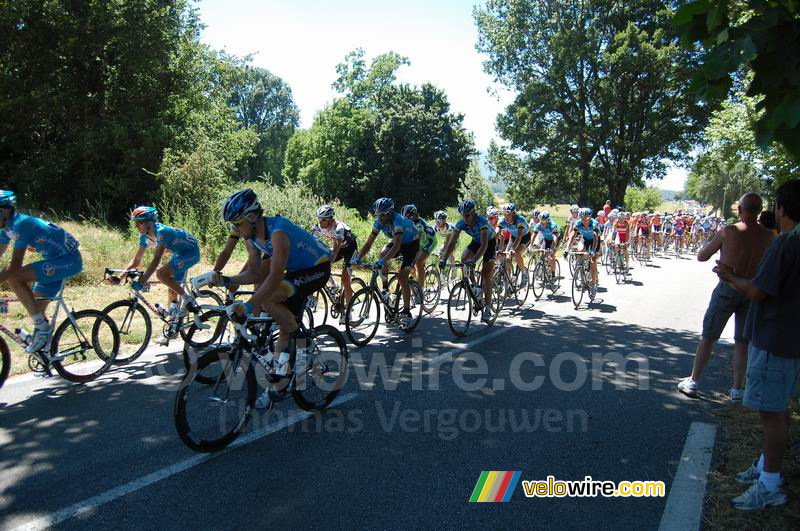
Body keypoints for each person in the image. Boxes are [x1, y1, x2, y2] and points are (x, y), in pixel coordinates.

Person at [713, 179, 800, 510]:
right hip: (789, 337)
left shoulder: (785, 244)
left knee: (772, 413)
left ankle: (769, 484)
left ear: (782, 208)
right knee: (779, 409)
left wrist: (730, 276)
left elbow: (758, 291)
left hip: (774, 336)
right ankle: (766, 467)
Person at [214, 189, 332, 408]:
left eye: (237, 224)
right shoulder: (253, 238)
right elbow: (256, 273)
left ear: (251, 217)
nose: (236, 230)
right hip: (296, 270)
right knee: (284, 329)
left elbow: (276, 275)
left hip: (317, 268)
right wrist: (226, 279)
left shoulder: (278, 232)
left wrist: (250, 305)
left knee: (269, 300)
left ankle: (304, 344)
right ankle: (277, 386)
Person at [677, 193, 774, 401]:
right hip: (751, 290)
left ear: (740, 210)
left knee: (709, 336)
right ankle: (737, 389)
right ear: (759, 211)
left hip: (727, 288)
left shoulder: (728, 232)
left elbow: (702, 256)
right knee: (742, 341)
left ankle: (693, 380)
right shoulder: (769, 236)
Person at [0, 190, 83, 353]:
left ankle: (43, 330)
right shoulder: (6, 227)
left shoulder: (20, 224)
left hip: (68, 260)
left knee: (15, 278)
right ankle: (48, 353)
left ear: (5, 210)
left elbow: (15, 265)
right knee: (36, 308)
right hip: (54, 260)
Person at [122, 207, 200, 344]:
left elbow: (156, 259)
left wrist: (142, 281)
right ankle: (172, 329)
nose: (136, 226)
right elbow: (136, 261)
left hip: (190, 252)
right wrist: (121, 276)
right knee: (171, 291)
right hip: (179, 253)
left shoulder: (162, 233)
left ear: (149, 223)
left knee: (161, 274)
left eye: (138, 222)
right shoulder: (144, 237)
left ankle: (188, 299)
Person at [354, 197, 419, 323]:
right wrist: (358, 258)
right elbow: (369, 243)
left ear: (390, 212)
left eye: (382, 215)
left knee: (402, 277)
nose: (379, 218)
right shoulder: (379, 222)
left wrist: (383, 261)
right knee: (382, 253)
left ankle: (406, 312)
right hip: (398, 243)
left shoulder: (398, 220)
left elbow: (397, 246)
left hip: (411, 245)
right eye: (377, 215)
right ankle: (385, 288)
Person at [440, 199, 497, 322]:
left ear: (473, 213)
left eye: (467, 215)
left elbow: (484, 245)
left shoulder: (482, 222)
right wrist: (444, 259)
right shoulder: (460, 224)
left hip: (489, 243)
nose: (465, 218)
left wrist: (475, 260)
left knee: (486, 274)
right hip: (476, 242)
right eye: (463, 215)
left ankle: (488, 308)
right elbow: (452, 244)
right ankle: (476, 287)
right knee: (464, 259)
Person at [311, 205, 358, 321]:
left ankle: (349, 311)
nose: (320, 222)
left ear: (330, 219)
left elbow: (335, 250)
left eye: (323, 220)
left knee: (345, 279)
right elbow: (310, 241)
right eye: (319, 219)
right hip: (340, 249)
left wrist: (328, 264)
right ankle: (334, 286)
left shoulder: (339, 228)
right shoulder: (319, 227)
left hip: (350, 250)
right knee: (317, 263)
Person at [400, 204, 437, 299]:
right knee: (409, 265)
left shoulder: (419, 224)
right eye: (405, 217)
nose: (407, 219)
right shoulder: (407, 223)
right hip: (419, 244)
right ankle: (416, 281)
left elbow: (417, 242)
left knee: (419, 262)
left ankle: (421, 290)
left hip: (429, 242)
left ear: (415, 214)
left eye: (409, 217)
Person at [565, 207, 601, 286]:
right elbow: (572, 235)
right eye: (583, 218)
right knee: (580, 251)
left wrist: (593, 250)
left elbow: (595, 237)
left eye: (587, 218)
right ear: (580, 218)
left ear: (590, 217)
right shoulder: (578, 223)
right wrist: (567, 248)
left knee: (592, 261)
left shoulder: (594, 223)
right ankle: (581, 269)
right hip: (585, 239)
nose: (585, 220)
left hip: (595, 241)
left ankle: (594, 282)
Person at [499, 203, 530, 288]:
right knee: (507, 258)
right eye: (505, 214)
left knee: (516, 253)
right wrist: (498, 249)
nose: (506, 217)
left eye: (508, 215)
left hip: (524, 237)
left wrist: (512, 249)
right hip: (513, 237)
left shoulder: (520, 220)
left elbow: (519, 236)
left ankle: (524, 272)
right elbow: (499, 235)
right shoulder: (502, 221)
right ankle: (508, 281)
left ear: (513, 214)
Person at [532, 211, 560, 275]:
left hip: (555, 240)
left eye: (544, 221)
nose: (542, 223)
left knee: (552, 255)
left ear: (547, 220)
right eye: (540, 220)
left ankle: (553, 274)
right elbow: (533, 236)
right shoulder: (538, 225)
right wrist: (531, 245)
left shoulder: (553, 225)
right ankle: (544, 268)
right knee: (543, 254)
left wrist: (552, 249)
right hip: (546, 239)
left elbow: (555, 238)